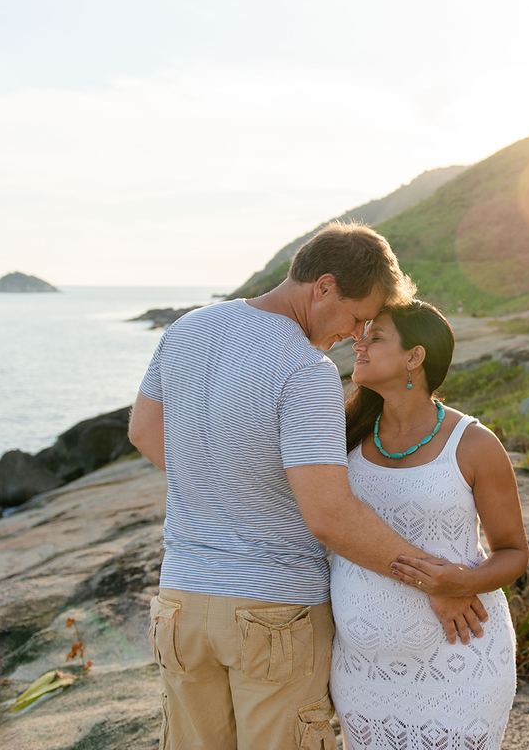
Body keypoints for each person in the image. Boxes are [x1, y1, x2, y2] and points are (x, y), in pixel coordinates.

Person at [127, 223, 490, 750]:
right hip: (272, 612)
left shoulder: (185, 330)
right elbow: (328, 515)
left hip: (180, 604)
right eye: (357, 315)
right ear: (323, 287)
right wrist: (433, 578)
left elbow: (143, 430)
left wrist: (220, 482)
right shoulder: (306, 369)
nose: (357, 334)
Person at [330, 300, 529, 750]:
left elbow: (514, 552)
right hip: (362, 672)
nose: (358, 344)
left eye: (375, 337)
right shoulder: (343, 435)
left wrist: (462, 581)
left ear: (414, 358)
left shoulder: (474, 444)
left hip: (462, 662)